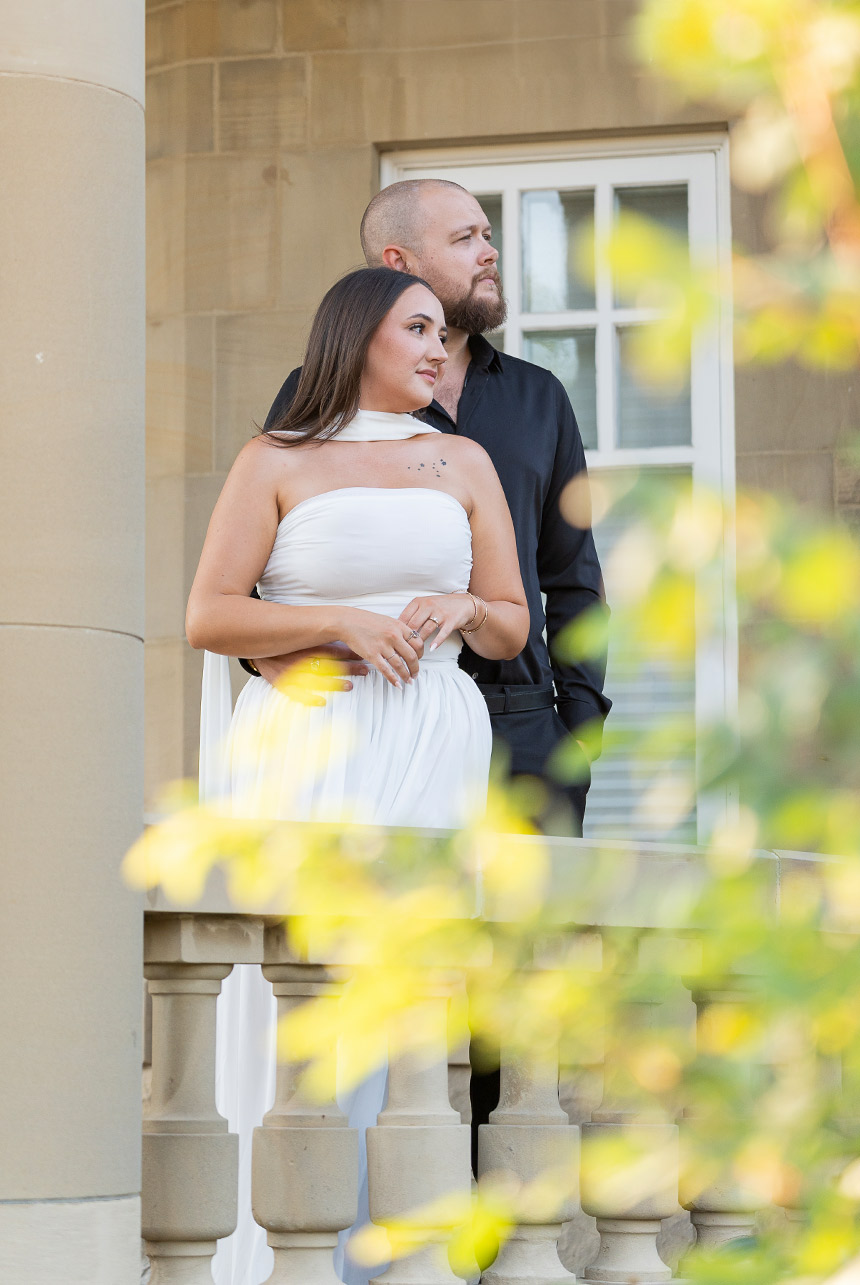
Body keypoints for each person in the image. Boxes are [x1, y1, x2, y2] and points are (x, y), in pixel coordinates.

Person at [251, 178, 612, 1169]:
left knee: (509, 1007)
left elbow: (569, 581)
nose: (489, 250)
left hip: (519, 726)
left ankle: (491, 1247)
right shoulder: (308, 404)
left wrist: (573, 737)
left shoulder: (537, 397)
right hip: (378, 728)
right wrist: (304, 689)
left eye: (490, 233)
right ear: (395, 266)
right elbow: (268, 571)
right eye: (466, 236)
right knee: (368, 984)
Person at [186, 265, 529, 1285]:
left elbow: (511, 623)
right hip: (313, 742)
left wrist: (458, 611)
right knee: (311, 996)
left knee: (409, 1005)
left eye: (444, 332)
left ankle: (390, 1258)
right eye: (417, 327)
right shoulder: (274, 459)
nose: (437, 346)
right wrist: (336, 619)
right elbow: (209, 613)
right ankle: (296, 1254)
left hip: (429, 736)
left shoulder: (461, 460)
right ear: (355, 335)